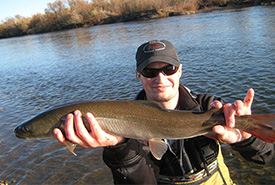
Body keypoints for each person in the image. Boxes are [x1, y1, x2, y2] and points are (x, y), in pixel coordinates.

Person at [54, 40, 274, 184]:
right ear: (138, 75)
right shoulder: (124, 130)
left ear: (180, 71)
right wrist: (119, 149)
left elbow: (267, 158)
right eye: (150, 71)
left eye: (168, 69)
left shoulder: (210, 107)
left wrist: (245, 139)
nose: (160, 79)